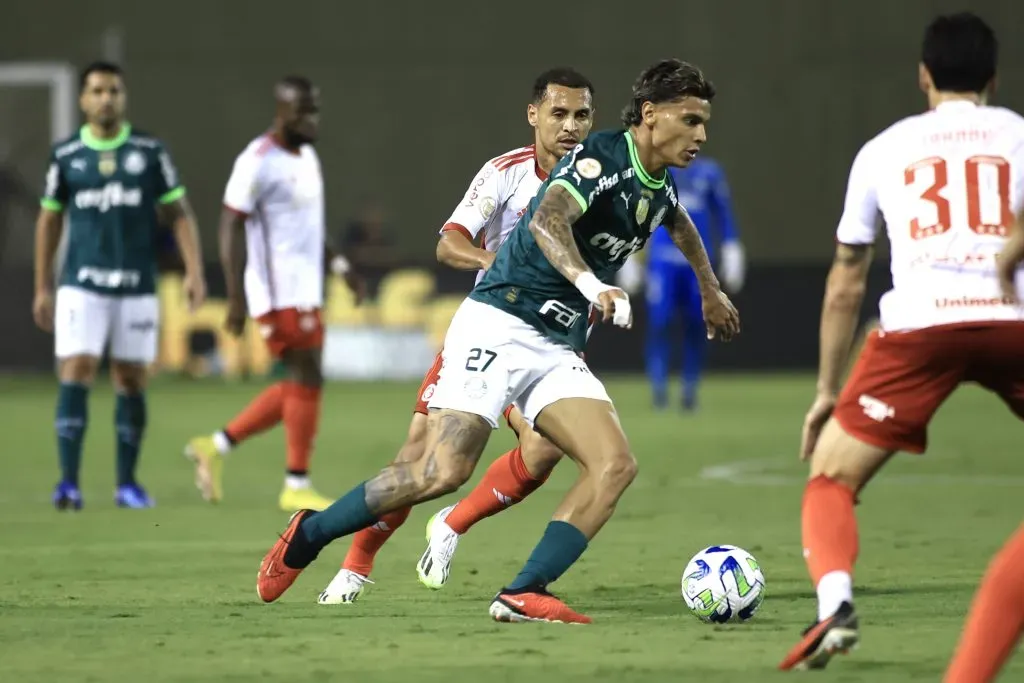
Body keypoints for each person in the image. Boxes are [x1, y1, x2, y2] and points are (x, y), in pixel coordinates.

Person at [256, 58, 739, 625]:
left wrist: (711, 287)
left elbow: (677, 219)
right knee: (440, 471)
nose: (701, 135)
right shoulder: (599, 158)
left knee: (613, 465)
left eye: (704, 123)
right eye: (691, 121)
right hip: (499, 324)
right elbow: (546, 222)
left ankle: (523, 591)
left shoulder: (656, 182)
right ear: (652, 115)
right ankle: (308, 533)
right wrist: (593, 285)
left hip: (555, 345)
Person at [778, 12, 1024, 671]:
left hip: (919, 327)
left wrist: (828, 390)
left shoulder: (884, 149)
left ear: (923, 76)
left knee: (829, 477)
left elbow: (845, 283)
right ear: (994, 79)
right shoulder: (1021, 136)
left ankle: (835, 604)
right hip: (1016, 322)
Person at [318, 66, 596, 605]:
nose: (570, 127)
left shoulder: (599, 181)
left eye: (581, 115)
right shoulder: (503, 174)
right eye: (558, 113)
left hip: (550, 345)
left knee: (544, 451)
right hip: (487, 338)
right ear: (533, 114)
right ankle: (353, 568)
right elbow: (449, 244)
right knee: (418, 461)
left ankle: (451, 525)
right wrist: (502, 264)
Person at [184, 76, 363, 513]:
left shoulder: (306, 156)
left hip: (305, 289)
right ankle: (295, 482)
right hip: (276, 289)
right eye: (303, 111)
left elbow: (310, 226)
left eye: (315, 109)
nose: (312, 119)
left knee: (303, 380)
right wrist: (234, 297)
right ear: (281, 112)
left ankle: (216, 445)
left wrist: (339, 267)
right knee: (306, 376)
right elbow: (230, 224)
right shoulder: (257, 160)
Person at [32, 61, 206, 510]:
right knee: (77, 370)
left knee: (130, 378)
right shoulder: (66, 154)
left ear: (122, 97)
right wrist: (42, 286)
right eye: (97, 90)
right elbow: (49, 220)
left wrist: (194, 270)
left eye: (113, 90)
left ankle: (127, 484)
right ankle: (68, 483)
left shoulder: (149, 151)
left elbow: (179, 213)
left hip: (135, 286)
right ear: (83, 99)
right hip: (81, 284)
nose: (105, 98)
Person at [618, 157, 744, 410]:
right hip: (662, 264)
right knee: (660, 322)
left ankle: (689, 388)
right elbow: (636, 214)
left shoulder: (710, 174)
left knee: (698, 324)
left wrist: (732, 247)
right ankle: (659, 388)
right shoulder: (653, 172)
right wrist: (630, 256)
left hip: (697, 266)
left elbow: (723, 213)